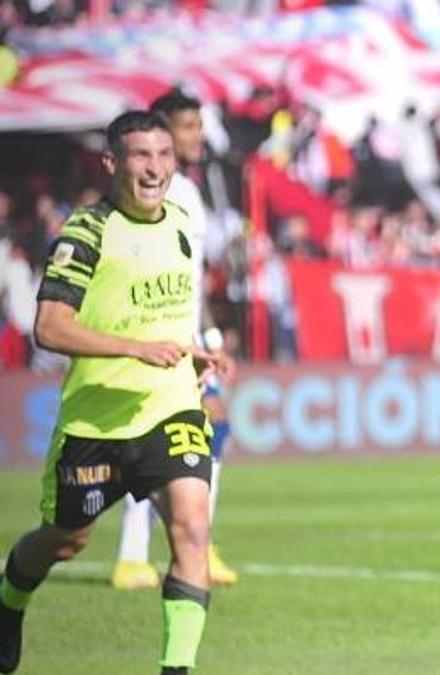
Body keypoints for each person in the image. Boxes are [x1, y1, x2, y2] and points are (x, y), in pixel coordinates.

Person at [0, 111, 228, 675]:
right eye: (140, 156)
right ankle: (7, 603)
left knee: (193, 527)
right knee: (65, 539)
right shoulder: (86, 232)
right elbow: (50, 328)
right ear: (111, 163)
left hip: (169, 406)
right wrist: (135, 347)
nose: (155, 169)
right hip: (96, 423)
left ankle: (176, 669)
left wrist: (195, 350)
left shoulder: (178, 223)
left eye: (163, 155)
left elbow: (172, 312)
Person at [111, 89, 239, 591]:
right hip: (163, 336)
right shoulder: (166, 193)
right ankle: (160, 550)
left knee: (193, 433)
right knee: (171, 436)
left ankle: (153, 551)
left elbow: (194, 274)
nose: (195, 137)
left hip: (186, 333)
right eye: (186, 127)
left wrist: (207, 333)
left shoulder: (188, 188)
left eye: (197, 127)